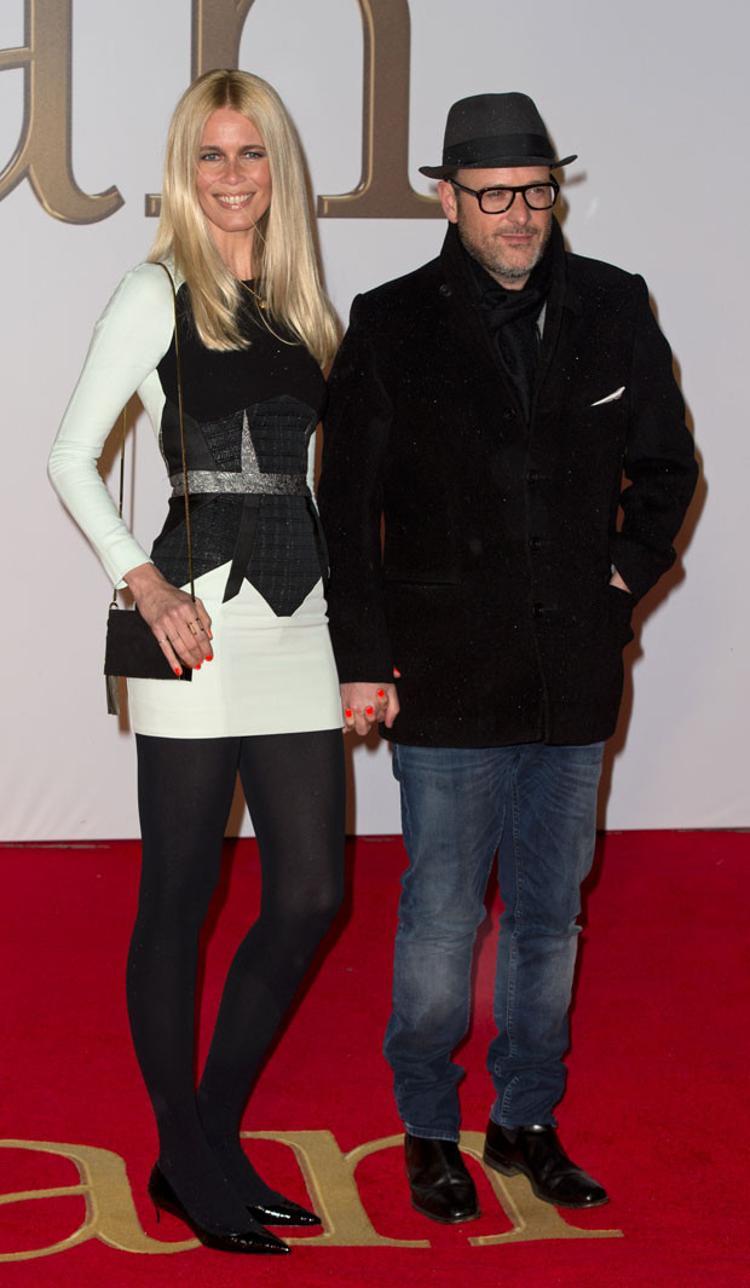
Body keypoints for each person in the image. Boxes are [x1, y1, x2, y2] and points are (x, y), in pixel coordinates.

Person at [318, 92, 697, 1224]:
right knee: (442, 917)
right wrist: (363, 657)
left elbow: (668, 470)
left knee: (549, 914)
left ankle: (527, 1116)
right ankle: (430, 1125)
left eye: (536, 190)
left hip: (574, 675)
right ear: (448, 199)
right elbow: (348, 507)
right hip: (442, 677)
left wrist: (621, 579)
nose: (520, 213)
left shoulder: (614, 303)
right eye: (494, 196)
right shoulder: (390, 320)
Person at [48, 69, 345, 1255]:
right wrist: (144, 580)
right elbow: (70, 455)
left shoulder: (304, 299)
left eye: (252, 152)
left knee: (312, 892)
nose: (233, 176)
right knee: (178, 894)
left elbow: (321, 477)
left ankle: (204, 1137)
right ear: (187, 168)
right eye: (212, 155)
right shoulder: (153, 289)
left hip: (299, 619)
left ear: (278, 166)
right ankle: (183, 1136)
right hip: (195, 625)